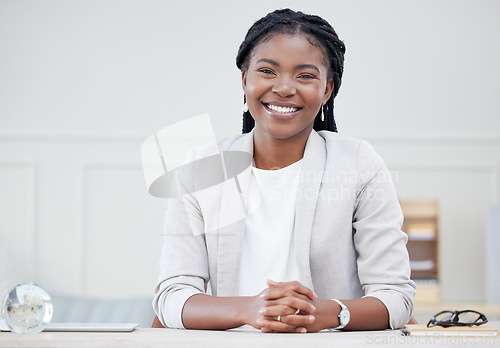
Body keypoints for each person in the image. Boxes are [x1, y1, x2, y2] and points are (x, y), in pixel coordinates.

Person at [152, 8, 416, 333]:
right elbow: (172, 297)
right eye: (267, 71)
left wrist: (328, 314)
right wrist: (249, 308)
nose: (285, 88)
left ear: (327, 89)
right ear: (245, 78)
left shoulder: (358, 163)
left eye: (305, 76)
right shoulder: (203, 169)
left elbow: (396, 297)